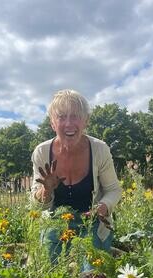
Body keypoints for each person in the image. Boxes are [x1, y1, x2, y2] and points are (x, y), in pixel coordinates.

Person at [30, 89, 122, 265]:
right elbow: (37, 205)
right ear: (52, 123)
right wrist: (46, 190)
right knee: (47, 270)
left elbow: (114, 190)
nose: (69, 123)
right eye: (62, 117)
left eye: (76, 116)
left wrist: (102, 207)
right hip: (56, 222)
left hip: (92, 223)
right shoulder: (42, 152)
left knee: (92, 275)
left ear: (85, 121)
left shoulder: (99, 149)